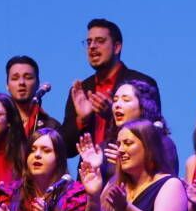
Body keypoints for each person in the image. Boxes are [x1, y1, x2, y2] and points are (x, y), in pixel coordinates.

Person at [61, 19, 161, 155]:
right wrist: (82, 120)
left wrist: (111, 115)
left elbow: (153, 137)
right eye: (89, 42)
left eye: (100, 41)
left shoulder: (141, 83)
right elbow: (65, 149)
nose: (92, 47)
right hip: (88, 173)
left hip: (127, 171)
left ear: (117, 47)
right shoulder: (81, 90)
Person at [6, 56, 53, 134]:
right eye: (15, 78)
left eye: (28, 77)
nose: (21, 83)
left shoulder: (51, 126)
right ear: (7, 85)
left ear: (38, 83)